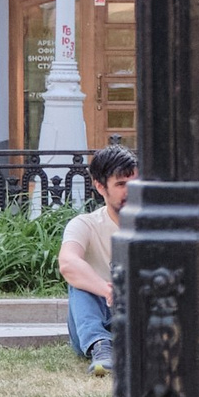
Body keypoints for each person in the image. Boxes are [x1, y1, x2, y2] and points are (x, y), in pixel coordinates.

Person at [57, 146, 136, 376]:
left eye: (134, 183)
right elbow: (68, 262)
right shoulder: (85, 224)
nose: (130, 191)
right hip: (97, 317)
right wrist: (107, 290)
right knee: (80, 282)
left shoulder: (156, 225)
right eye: (121, 185)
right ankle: (100, 348)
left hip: (136, 315)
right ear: (100, 186)